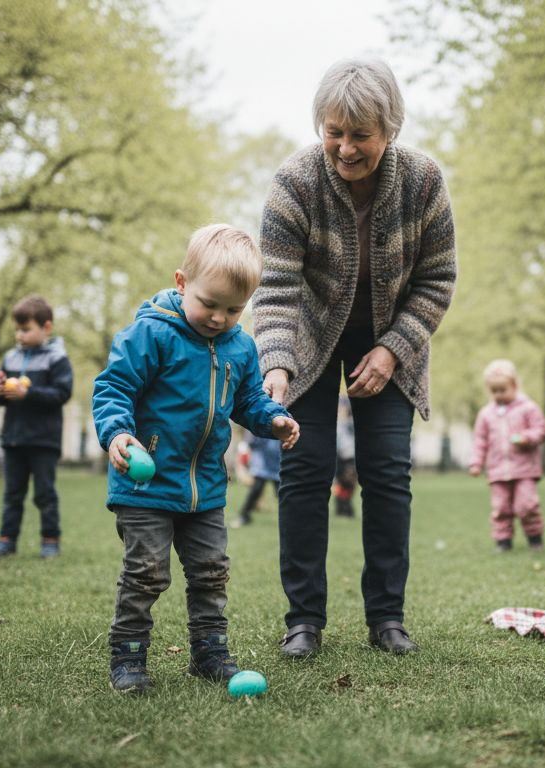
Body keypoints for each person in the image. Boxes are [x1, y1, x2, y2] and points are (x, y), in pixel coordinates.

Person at [254, 58, 457, 658]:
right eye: (333, 131)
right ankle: (304, 621)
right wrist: (277, 367)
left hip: (393, 336)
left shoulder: (422, 181)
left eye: (360, 135)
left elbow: (439, 278)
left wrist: (393, 351)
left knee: (388, 473)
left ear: (389, 129)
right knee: (304, 470)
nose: (345, 147)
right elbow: (277, 288)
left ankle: (387, 619)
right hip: (310, 338)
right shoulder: (295, 182)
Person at [92, 224, 301, 694]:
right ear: (182, 282)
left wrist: (272, 418)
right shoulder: (151, 334)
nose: (218, 318)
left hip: (205, 488)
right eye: (209, 303)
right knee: (146, 572)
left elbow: (247, 399)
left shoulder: (241, 347)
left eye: (233, 309)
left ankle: (209, 654)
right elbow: (113, 388)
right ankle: (128, 657)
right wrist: (119, 434)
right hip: (145, 485)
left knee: (211, 572)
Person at [0, 295, 74, 561]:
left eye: (26, 329)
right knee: (12, 494)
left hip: (44, 440)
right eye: (17, 330)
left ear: (46, 327)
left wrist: (28, 394)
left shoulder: (57, 359)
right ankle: (6, 541)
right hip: (14, 438)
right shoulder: (10, 358)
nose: (19, 335)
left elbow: (61, 393)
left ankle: (50, 541)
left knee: (44, 493)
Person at [468, 360, 545, 552]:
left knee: (527, 505)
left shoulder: (528, 407)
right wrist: (476, 463)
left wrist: (526, 437)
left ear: (515, 385)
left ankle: (535, 537)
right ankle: (503, 541)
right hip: (498, 469)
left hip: (525, 468)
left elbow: (542, 429)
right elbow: (480, 440)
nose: (499, 395)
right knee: (501, 507)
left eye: (503, 389)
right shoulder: (486, 414)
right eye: (494, 391)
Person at [232, 434, 281, 528]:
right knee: (256, 490)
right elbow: (251, 442)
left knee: (281, 493)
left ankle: (290, 518)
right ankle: (244, 516)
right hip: (262, 464)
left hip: (277, 464)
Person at [332, 394, 358, 518]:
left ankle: (346, 506)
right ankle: (341, 505)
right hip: (340, 457)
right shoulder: (338, 424)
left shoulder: (351, 424)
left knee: (350, 483)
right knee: (341, 483)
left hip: (350, 457)